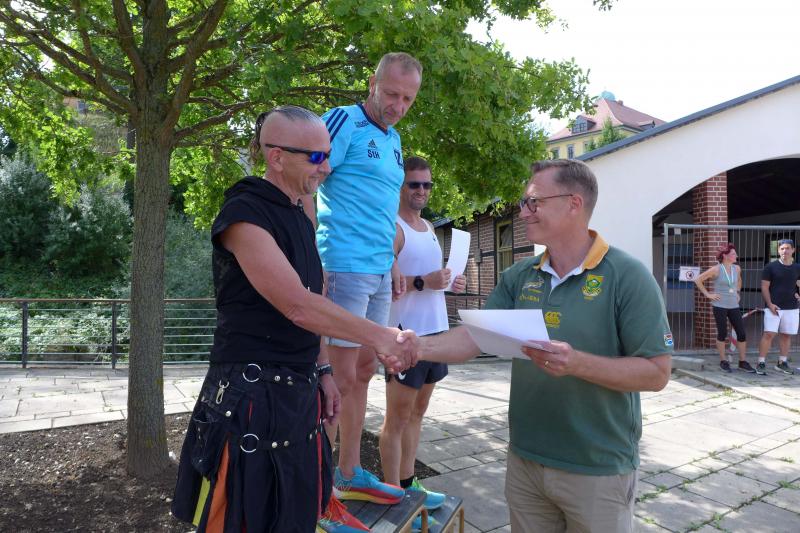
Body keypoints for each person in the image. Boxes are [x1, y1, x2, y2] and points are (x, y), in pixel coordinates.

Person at [171, 106, 416, 533]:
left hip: (298, 396)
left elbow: (314, 298)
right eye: (317, 157)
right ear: (277, 157)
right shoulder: (244, 214)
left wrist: (324, 370)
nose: (327, 167)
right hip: (251, 401)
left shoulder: (300, 215)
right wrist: (380, 336)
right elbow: (297, 305)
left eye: (328, 155)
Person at [417, 159, 673, 533]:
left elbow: (657, 372)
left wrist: (576, 363)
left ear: (574, 204)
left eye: (533, 202)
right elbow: (474, 337)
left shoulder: (627, 276)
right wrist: (415, 348)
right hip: (526, 462)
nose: (523, 212)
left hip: (597, 468)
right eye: (525, 203)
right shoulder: (519, 276)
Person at [311, 52, 424, 505]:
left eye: (408, 99)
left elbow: (381, 207)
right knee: (336, 381)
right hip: (344, 265)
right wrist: (310, 257)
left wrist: (391, 261)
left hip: (377, 270)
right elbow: (308, 180)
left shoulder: (393, 139)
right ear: (372, 84)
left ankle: (349, 473)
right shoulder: (342, 120)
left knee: (362, 372)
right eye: (392, 93)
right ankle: (317, 492)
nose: (398, 105)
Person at [378, 157, 467, 528]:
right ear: (401, 187)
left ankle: (408, 485)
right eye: (414, 184)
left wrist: (449, 282)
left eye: (427, 185)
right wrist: (422, 282)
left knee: (417, 413)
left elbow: (432, 281)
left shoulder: (429, 227)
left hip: (436, 333)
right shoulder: (392, 228)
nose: (421, 191)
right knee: (397, 419)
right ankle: (391, 497)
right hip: (405, 337)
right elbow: (384, 285)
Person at [693, 243, 755, 373]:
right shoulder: (716, 269)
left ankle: (742, 362)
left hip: (734, 306)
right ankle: (723, 361)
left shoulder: (737, 268)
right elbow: (698, 280)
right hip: (719, 305)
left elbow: (739, 281)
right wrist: (708, 295)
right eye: (733, 254)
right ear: (725, 256)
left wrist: (737, 292)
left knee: (741, 333)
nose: (736, 255)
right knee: (722, 333)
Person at [756, 238, 800, 375]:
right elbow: (764, 287)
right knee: (769, 334)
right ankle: (761, 362)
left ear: (793, 250)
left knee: (786, 335)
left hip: (792, 307)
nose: (785, 251)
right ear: (778, 250)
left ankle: (782, 363)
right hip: (774, 307)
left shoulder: (797, 268)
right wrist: (769, 304)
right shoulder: (770, 267)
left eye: (787, 248)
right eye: (782, 248)